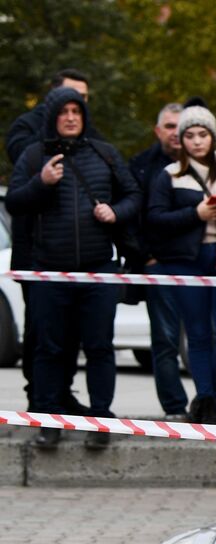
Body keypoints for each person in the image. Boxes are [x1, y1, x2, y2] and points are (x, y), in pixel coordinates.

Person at [5, 85, 141, 449]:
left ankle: (100, 420)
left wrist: (116, 212)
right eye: (63, 112)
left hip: (99, 271)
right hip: (49, 272)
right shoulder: (34, 157)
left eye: (76, 112)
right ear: (52, 117)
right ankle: (49, 421)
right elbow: (15, 202)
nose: (70, 118)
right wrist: (42, 183)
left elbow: (134, 196)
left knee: (99, 347)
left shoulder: (104, 153)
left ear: (84, 116)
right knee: (49, 349)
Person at [145, 106, 216, 424]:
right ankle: (207, 399)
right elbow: (155, 219)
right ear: (181, 140)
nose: (196, 141)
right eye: (189, 135)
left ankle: (204, 394)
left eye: (202, 134)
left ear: (213, 137)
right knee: (198, 334)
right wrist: (196, 214)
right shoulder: (169, 175)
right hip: (187, 260)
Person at [6, 69, 96, 416]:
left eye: (83, 101)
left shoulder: (89, 135)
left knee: (73, 328)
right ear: (52, 98)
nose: (76, 109)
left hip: (77, 253)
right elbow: (23, 172)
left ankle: (63, 391)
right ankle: (39, 394)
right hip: (35, 247)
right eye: (71, 99)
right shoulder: (25, 130)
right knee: (41, 328)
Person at [129, 103, 192, 421]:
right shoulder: (141, 166)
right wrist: (145, 257)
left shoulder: (206, 164)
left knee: (205, 338)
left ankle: (213, 404)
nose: (176, 133)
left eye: (181, 126)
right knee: (165, 340)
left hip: (198, 267)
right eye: (169, 126)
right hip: (159, 266)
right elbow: (131, 217)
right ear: (158, 131)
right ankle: (175, 407)